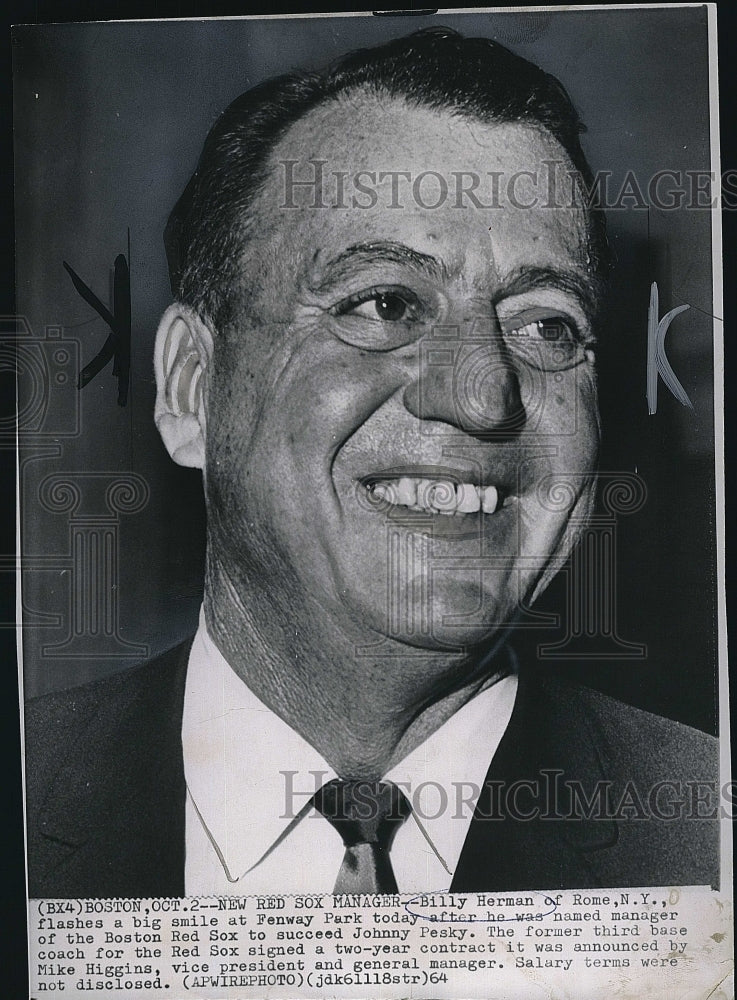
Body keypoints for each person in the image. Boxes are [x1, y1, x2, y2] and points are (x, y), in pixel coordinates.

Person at [25, 27, 719, 899]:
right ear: (192, 386)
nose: (482, 397)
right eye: (385, 303)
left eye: (545, 325)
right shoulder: (28, 794)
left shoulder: (706, 840)